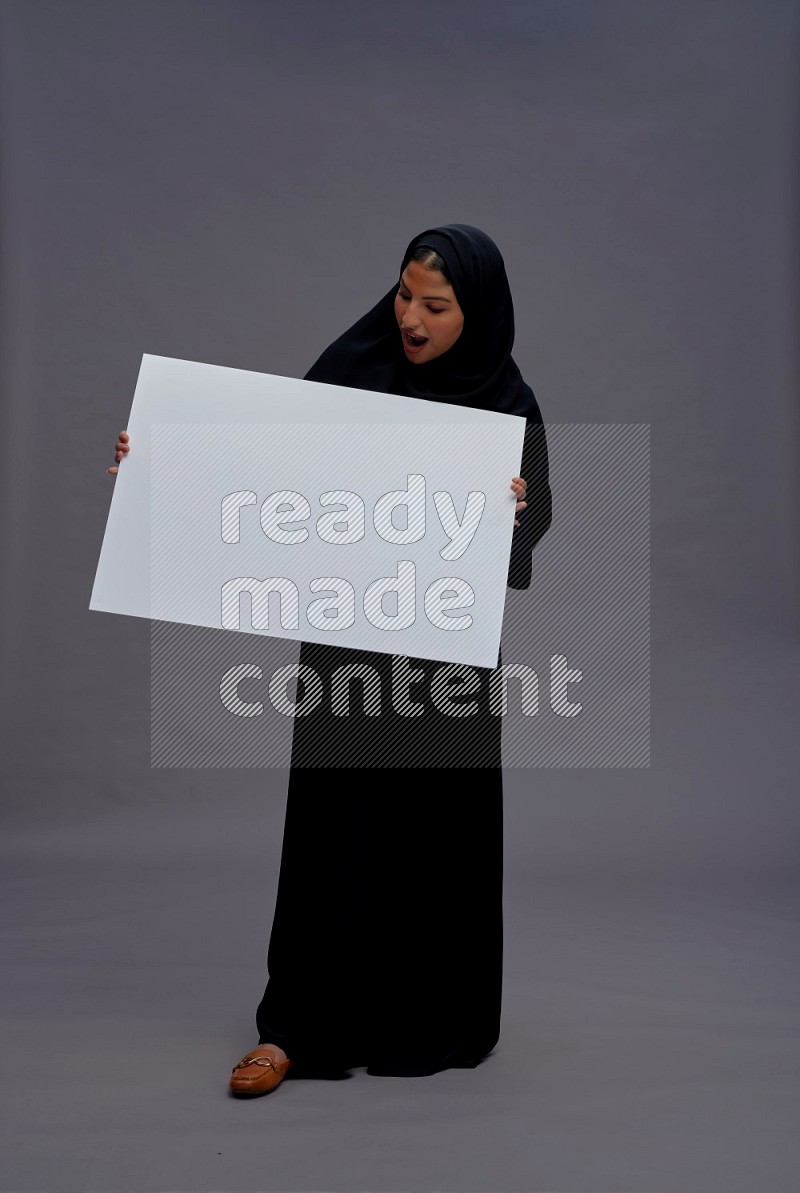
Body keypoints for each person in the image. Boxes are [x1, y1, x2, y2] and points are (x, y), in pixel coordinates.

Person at [108, 223, 552, 1096]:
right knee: (332, 833)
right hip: (348, 649)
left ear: (479, 309)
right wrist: (156, 462)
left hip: (444, 663)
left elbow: (528, 541)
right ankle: (296, 1029)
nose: (412, 318)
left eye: (436, 304)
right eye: (403, 295)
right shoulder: (353, 372)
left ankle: (427, 1018)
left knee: (432, 837)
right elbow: (261, 472)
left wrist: (517, 511)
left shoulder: (508, 406)